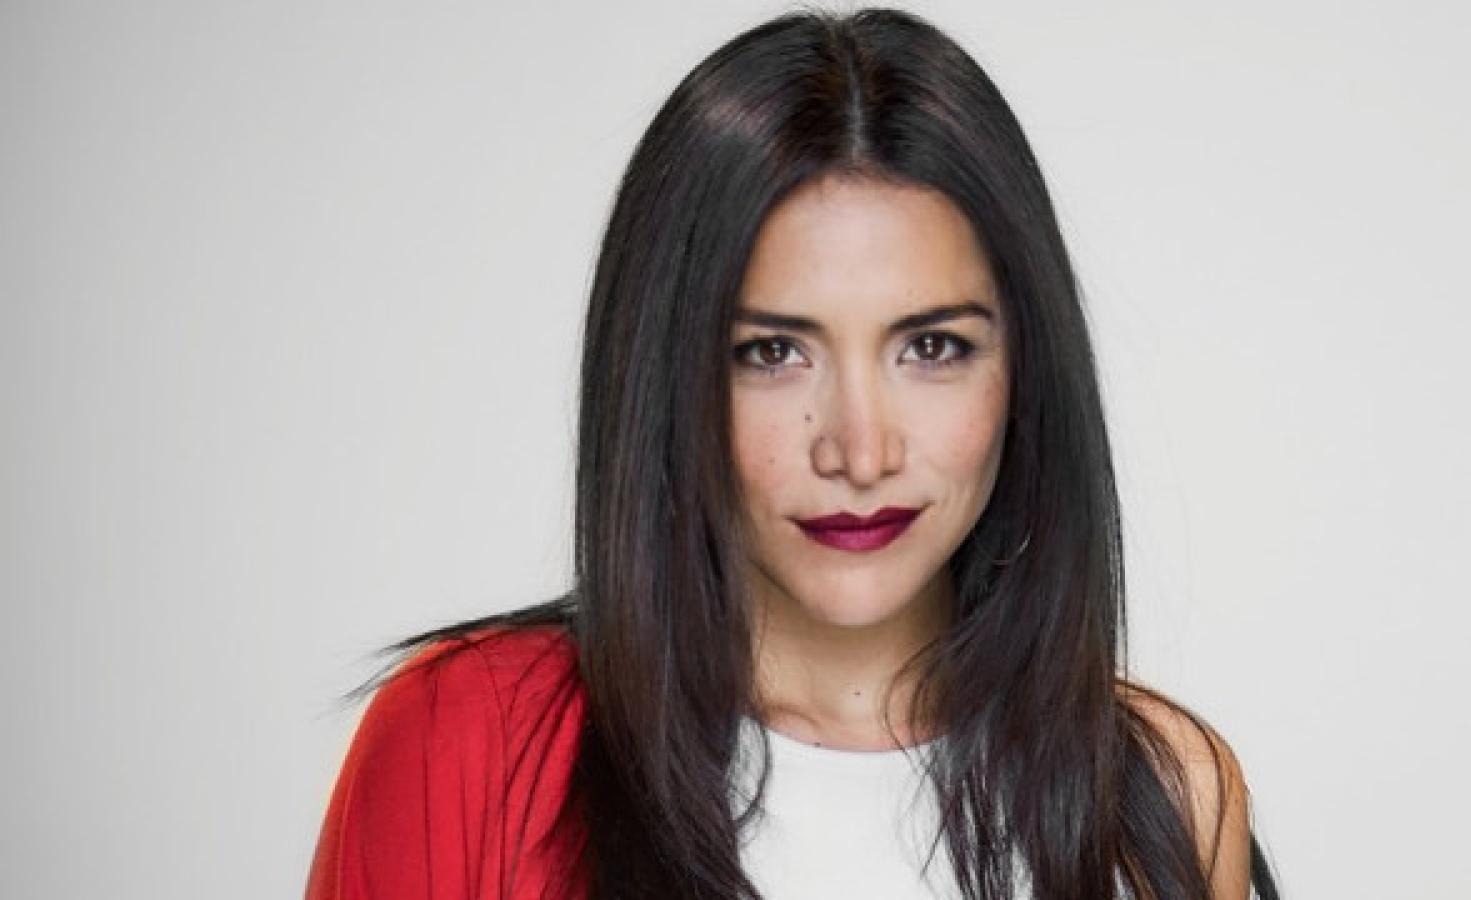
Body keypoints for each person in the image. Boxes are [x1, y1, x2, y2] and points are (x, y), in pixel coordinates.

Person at [305, 7, 1283, 899]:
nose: (860, 450)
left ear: (1025, 369)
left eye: (931, 347)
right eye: (772, 353)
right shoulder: (469, 736)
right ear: (667, 378)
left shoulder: (1163, 794)